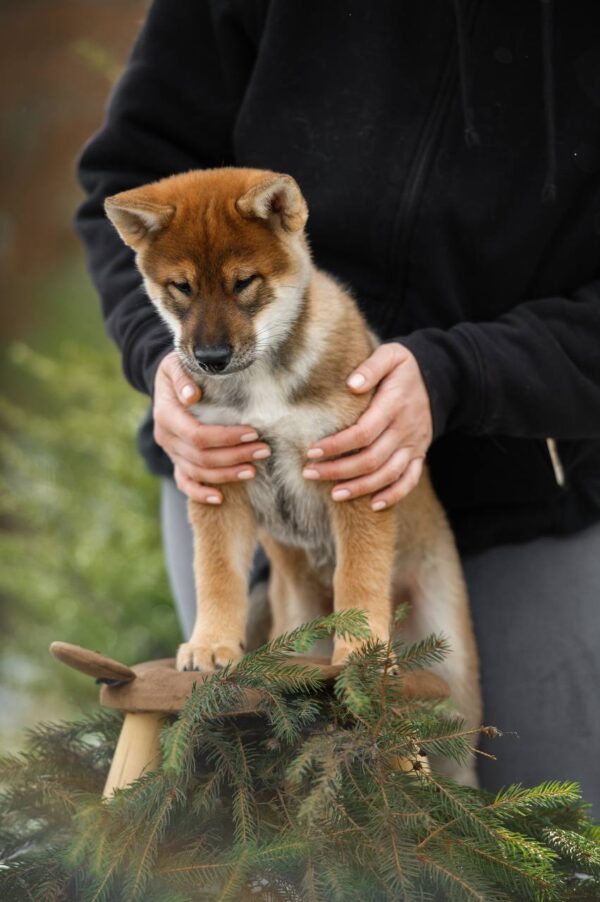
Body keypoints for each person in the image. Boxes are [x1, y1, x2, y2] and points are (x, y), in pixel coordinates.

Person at [75, 0, 600, 807]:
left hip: (530, 480)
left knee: (533, 826)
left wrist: (465, 372)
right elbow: (126, 177)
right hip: (237, 460)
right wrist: (163, 368)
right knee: (288, 817)